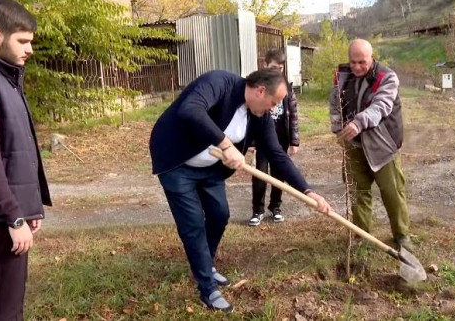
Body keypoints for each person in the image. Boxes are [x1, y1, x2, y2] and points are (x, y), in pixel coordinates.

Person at [149, 69, 332, 312]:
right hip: (177, 162)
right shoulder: (220, 83)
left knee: (219, 214)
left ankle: (203, 265)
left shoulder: (260, 117)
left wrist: (308, 191)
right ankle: (207, 289)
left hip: (210, 169)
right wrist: (226, 144)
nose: (273, 109)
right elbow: (190, 109)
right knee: (192, 224)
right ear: (260, 90)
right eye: (274, 102)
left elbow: (277, 155)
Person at [0, 0, 52, 320]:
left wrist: (28, 207)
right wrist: (14, 217)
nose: (30, 49)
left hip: (7, 212)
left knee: (6, 301)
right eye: (22, 40)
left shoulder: (4, 76)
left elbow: (15, 149)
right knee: (4, 308)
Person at [329, 39, 413, 252]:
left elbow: (381, 106)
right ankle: (361, 235)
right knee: (358, 192)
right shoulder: (342, 76)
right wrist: (338, 129)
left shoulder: (387, 77)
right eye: (353, 61)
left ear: (372, 58)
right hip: (354, 145)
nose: (356, 67)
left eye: (362, 62)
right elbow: (335, 105)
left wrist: (359, 121)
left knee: (392, 193)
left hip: (383, 146)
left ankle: (402, 236)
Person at [249, 49, 300, 226]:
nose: (277, 71)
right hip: (263, 141)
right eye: (273, 67)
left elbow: (293, 114)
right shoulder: (258, 86)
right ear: (265, 65)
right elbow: (251, 115)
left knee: (279, 175)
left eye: (280, 68)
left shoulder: (287, 87)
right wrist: (252, 141)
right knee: (260, 175)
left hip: (281, 139)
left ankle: (276, 207)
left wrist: (294, 141)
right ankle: (257, 210)